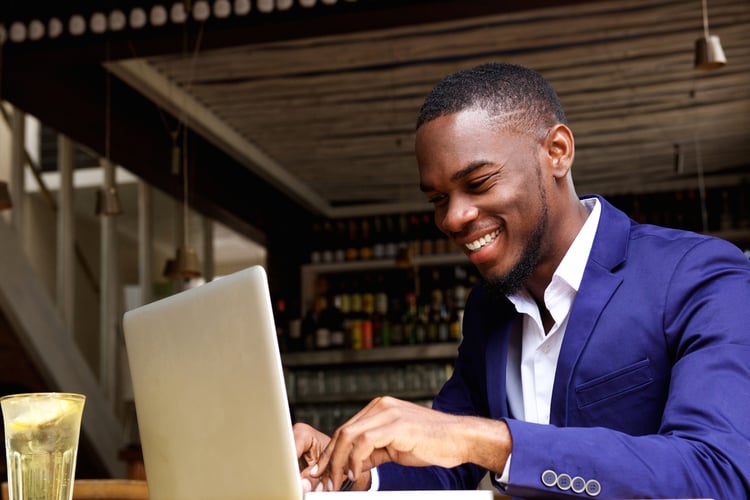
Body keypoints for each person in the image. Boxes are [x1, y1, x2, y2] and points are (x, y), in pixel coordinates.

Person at [293, 62, 750, 499]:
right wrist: (345, 469)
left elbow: (718, 472)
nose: (453, 218)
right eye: (437, 198)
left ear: (557, 152)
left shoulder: (700, 275)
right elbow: (443, 462)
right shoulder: (488, 306)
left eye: (479, 182)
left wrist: (490, 441)